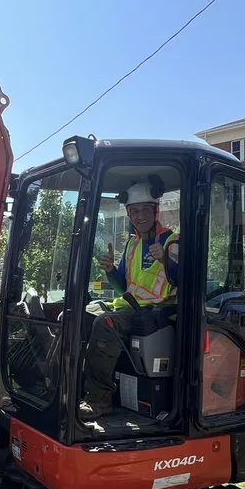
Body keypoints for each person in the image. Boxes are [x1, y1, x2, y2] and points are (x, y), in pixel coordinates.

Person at [79, 177, 179, 421]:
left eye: (145, 210)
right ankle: (76, 387)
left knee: (105, 323)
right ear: (128, 213)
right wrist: (111, 271)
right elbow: (123, 286)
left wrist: (165, 260)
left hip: (156, 312)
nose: (140, 216)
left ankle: (99, 400)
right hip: (129, 307)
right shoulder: (132, 244)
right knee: (75, 315)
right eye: (134, 211)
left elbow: (183, 280)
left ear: (156, 211)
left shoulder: (171, 241)